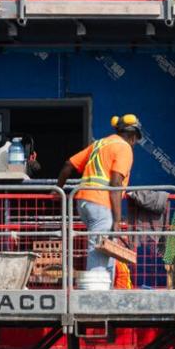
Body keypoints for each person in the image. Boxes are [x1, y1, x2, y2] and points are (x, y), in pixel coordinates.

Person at [58, 114, 143, 276]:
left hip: (83, 202)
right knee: (98, 251)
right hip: (100, 204)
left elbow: (69, 164)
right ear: (132, 137)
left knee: (108, 248)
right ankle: (95, 297)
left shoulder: (99, 144)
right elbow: (116, 182)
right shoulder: (124, 147)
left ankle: (106, 293)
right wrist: (117, 220)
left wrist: (57, 190)